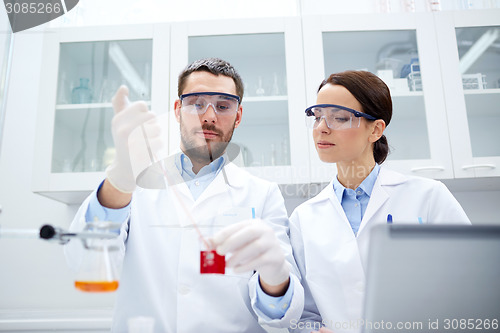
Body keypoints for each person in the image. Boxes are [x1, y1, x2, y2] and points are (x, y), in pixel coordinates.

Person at [65, 58, 304, 332]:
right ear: (178, 110)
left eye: (223, 106)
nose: (210, 116)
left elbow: (285, 318)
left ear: (238, 116)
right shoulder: (136, 182)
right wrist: (120, 178)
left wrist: (275, 277)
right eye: (197, 103)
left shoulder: (262, 194)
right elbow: (83, 260)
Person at [288, 70, 470, 333]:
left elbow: (471, 286)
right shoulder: (304, 219)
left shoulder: (428, 197)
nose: (322, 128)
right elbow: (304, 312)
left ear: (375, 129)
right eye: (317, 117)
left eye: (339, 118)